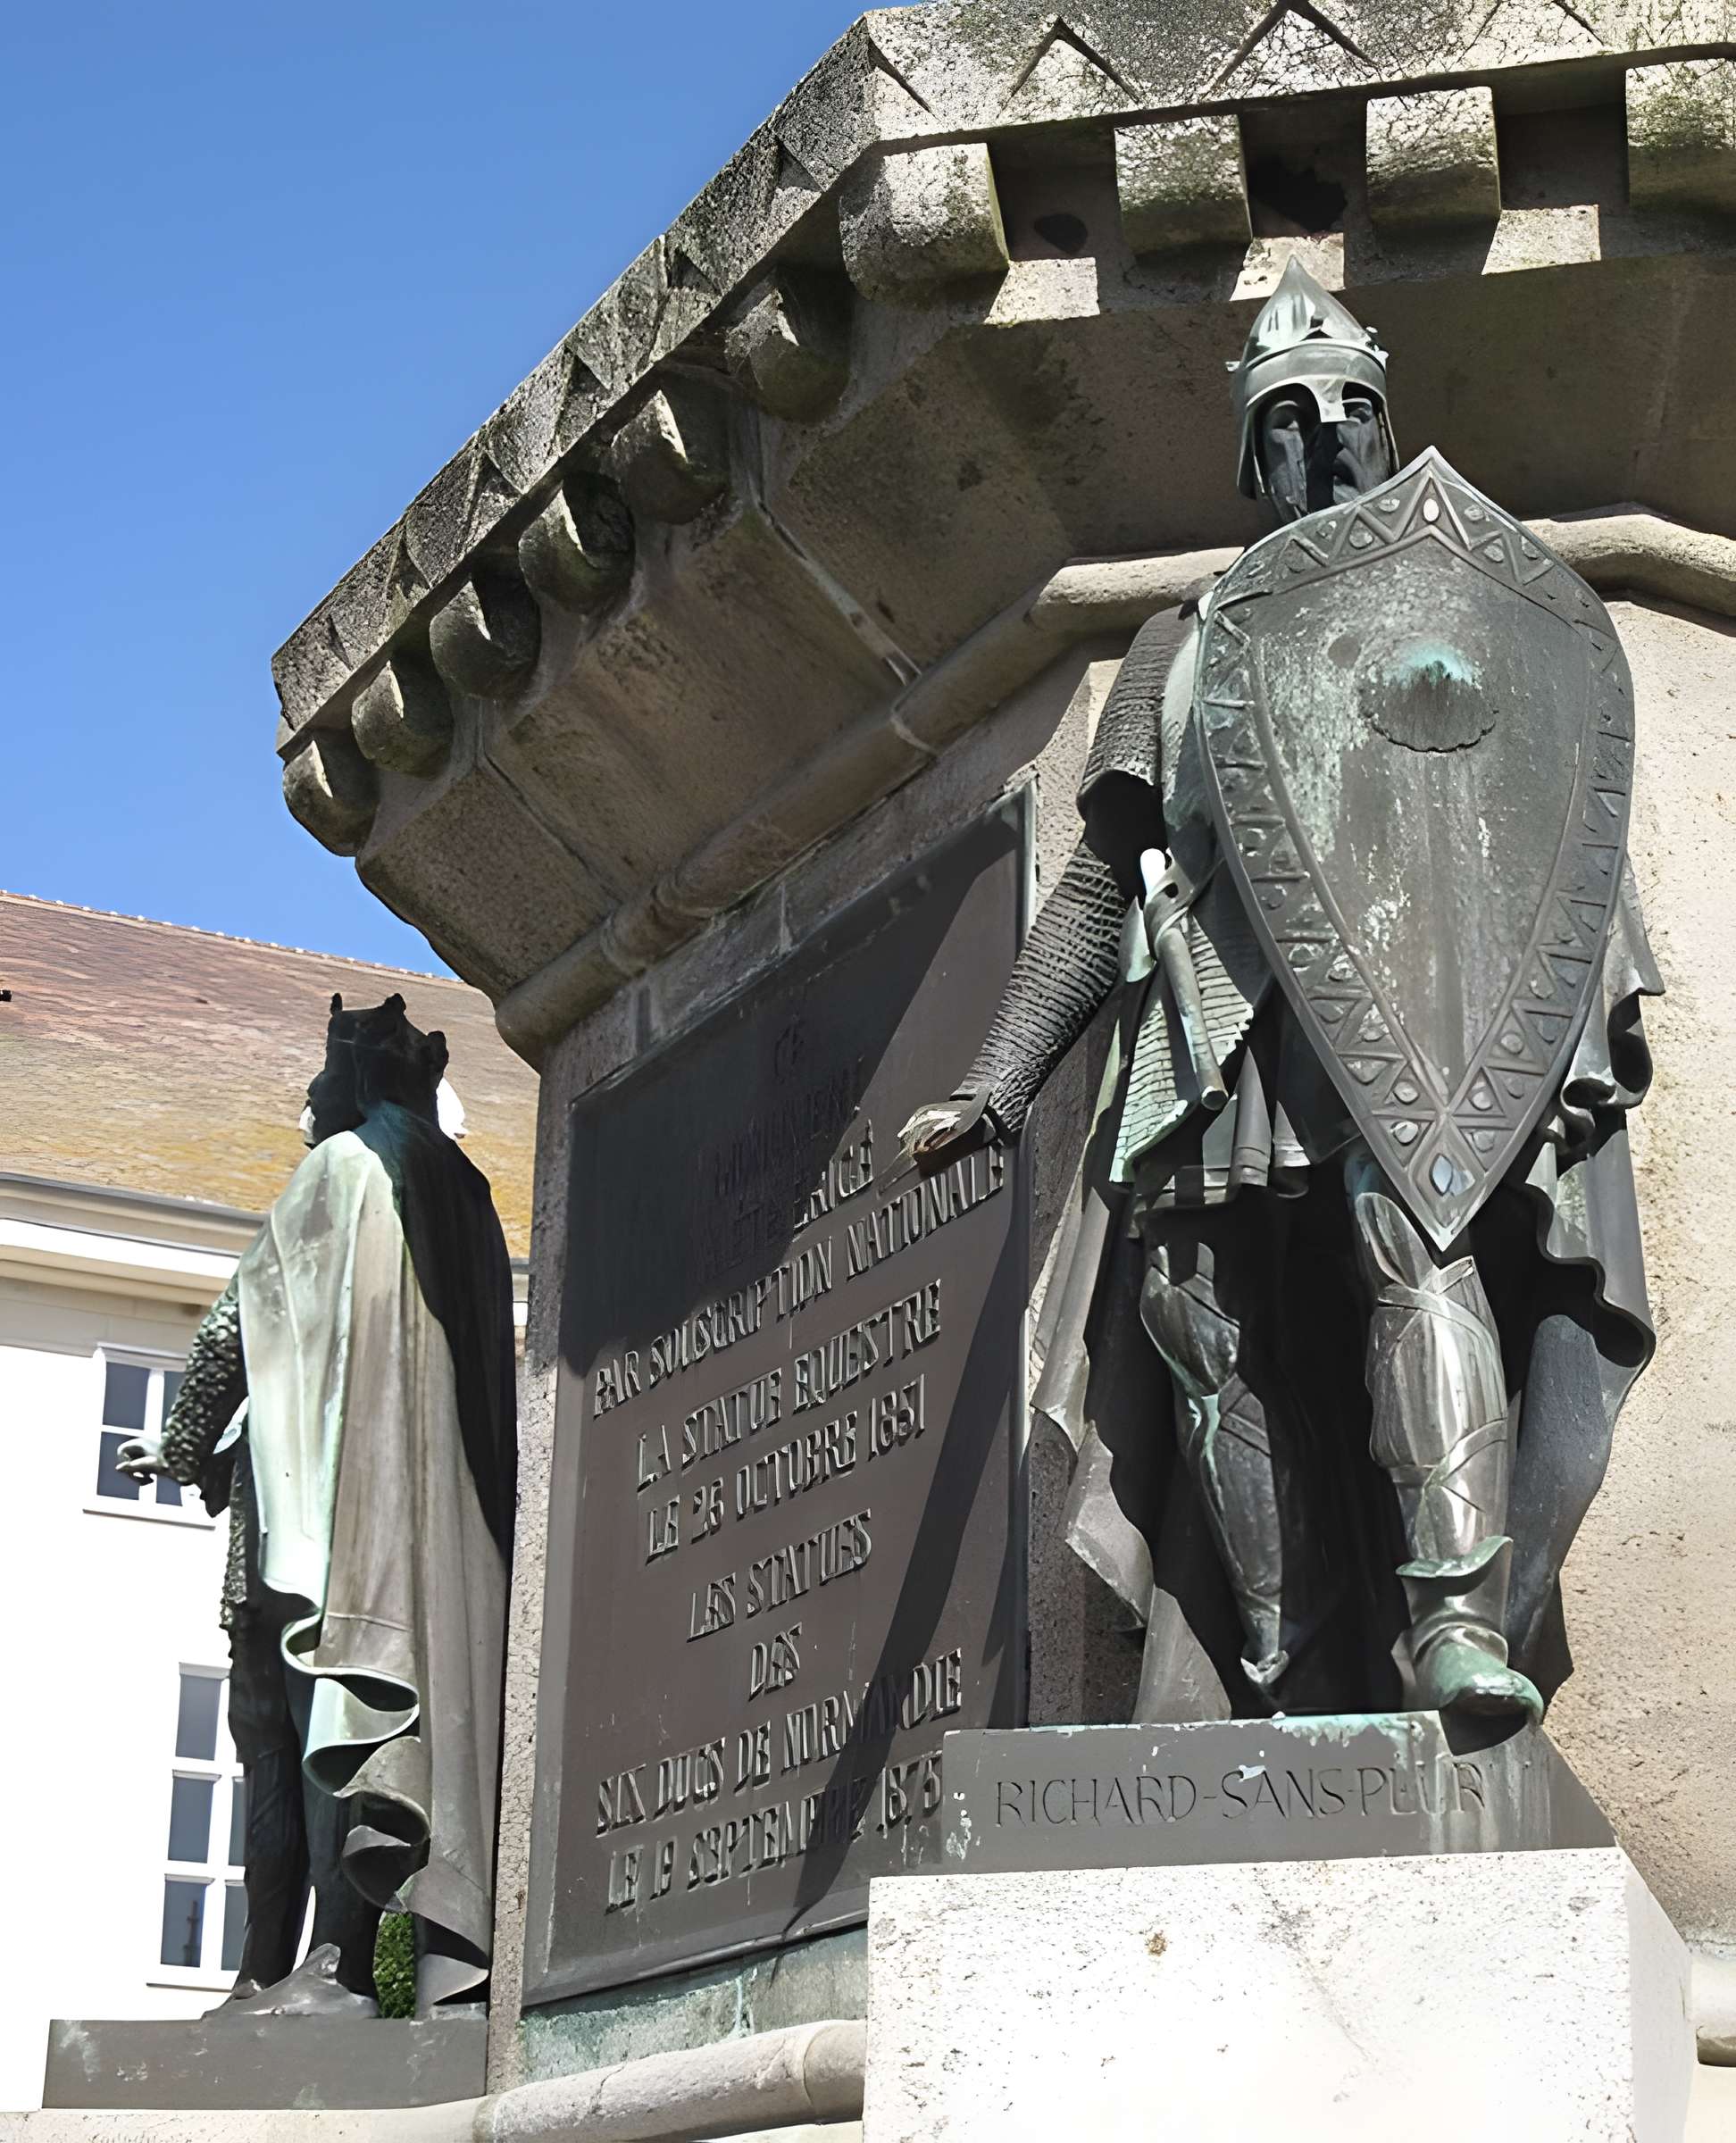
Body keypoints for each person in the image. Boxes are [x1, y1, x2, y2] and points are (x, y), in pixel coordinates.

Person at [899, 261, 1659, 1729]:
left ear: (1384, 423)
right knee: (1193, 1312)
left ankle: (1452, 1625)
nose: (1324, 437)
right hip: (1225, 1015)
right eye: (1290, 418)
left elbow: (1539, 824)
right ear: (1253, 451)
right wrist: (996, 1081)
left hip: (1416, 1013)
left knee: (1416, 1234)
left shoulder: (1481, 600)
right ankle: (1285, 1652)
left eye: (1347, 408)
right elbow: (1099, 883)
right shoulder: (1186, 640)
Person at [120, 994, 516, 2012]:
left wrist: (178, 1441)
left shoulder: (346, 1165)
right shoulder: (464, 1191)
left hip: (326, 1534)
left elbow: (238, 1318)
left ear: (357, 1078)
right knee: (336, 1732)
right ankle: (283, 1970)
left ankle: (321, 1965)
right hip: (413, 1527)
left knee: (306, 1731)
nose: (308, 1103)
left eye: (320, 1082)